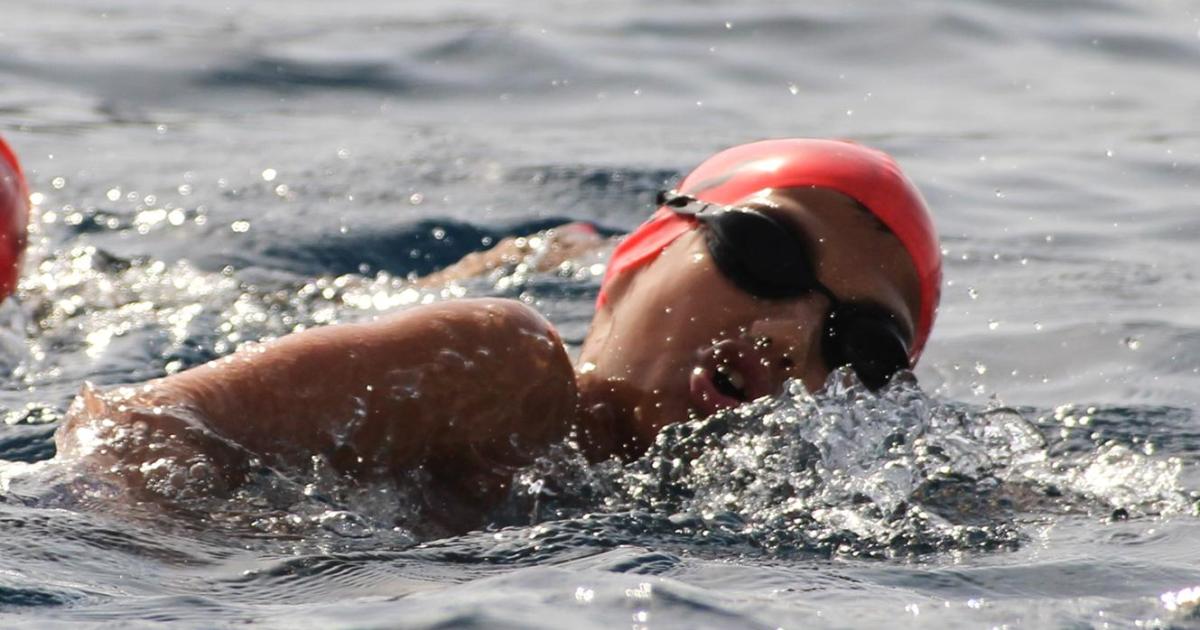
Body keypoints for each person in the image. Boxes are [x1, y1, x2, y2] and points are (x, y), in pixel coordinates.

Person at [29, 138, 941, 525]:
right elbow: (118, 444)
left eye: (862, 348)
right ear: (642, 251)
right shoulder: (497, 365)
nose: (791, 333)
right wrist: (259, 561)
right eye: (765, 254)